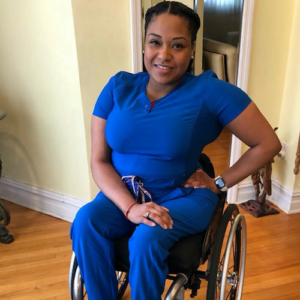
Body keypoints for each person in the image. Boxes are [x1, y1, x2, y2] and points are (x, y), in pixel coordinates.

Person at [70, 2, 281, 300]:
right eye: (155, 42)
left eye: (177, 45)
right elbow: (99, 160)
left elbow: (268, 143)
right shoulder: (118, 87)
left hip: (181, 196)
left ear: (192, 49)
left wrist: (219, 182)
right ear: (144, 44)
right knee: (85, 221)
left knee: (147, 237)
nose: (164, 55)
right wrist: (130, 208)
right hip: (126, 193)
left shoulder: (208, 92)